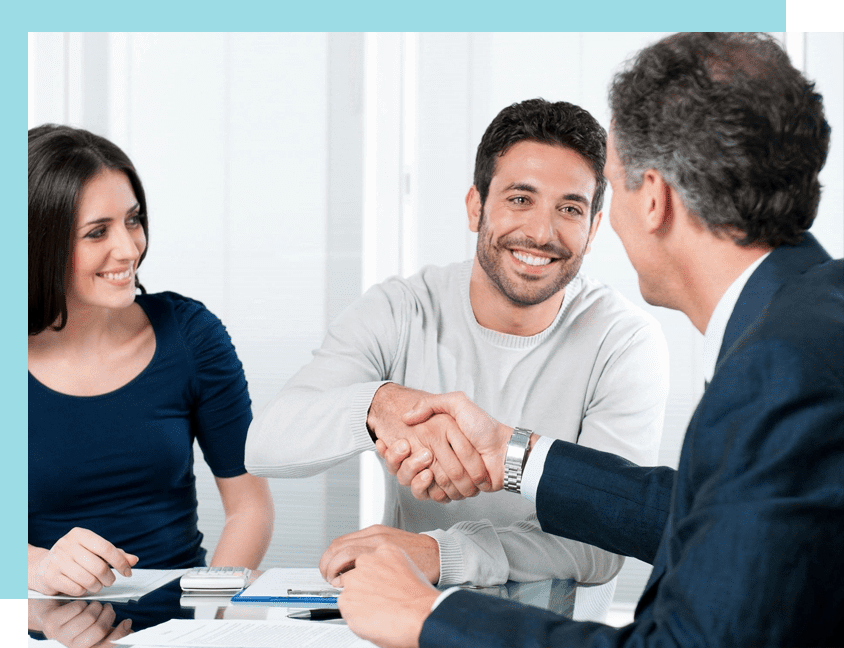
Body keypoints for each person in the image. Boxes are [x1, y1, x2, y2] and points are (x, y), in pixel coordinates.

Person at [336, 32, 844, 648]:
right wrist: (511, 454)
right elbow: (718, 518)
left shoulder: (782, 367)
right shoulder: (811, 315)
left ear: (652, 197)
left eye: (610, 180)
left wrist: (425, 616)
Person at [246, 99, 669, 619]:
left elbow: (604, 545)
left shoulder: (624, 341)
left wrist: (445, 552)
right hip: (411, 619)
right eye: (520, 198)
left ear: (594, 226)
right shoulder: (401, 310)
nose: (542, 232)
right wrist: (378, 407)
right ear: (475, 206)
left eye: (570, 208)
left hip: (555, 632)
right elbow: (265, 443)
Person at [28, 125, 274, 597]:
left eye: (133, 220)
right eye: (97, 232)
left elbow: (250, 507)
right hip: (41, 620)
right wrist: (39, 567)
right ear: (43, 243)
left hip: (179, 618)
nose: (128, 248)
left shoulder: (191, 335)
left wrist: (211, 610)